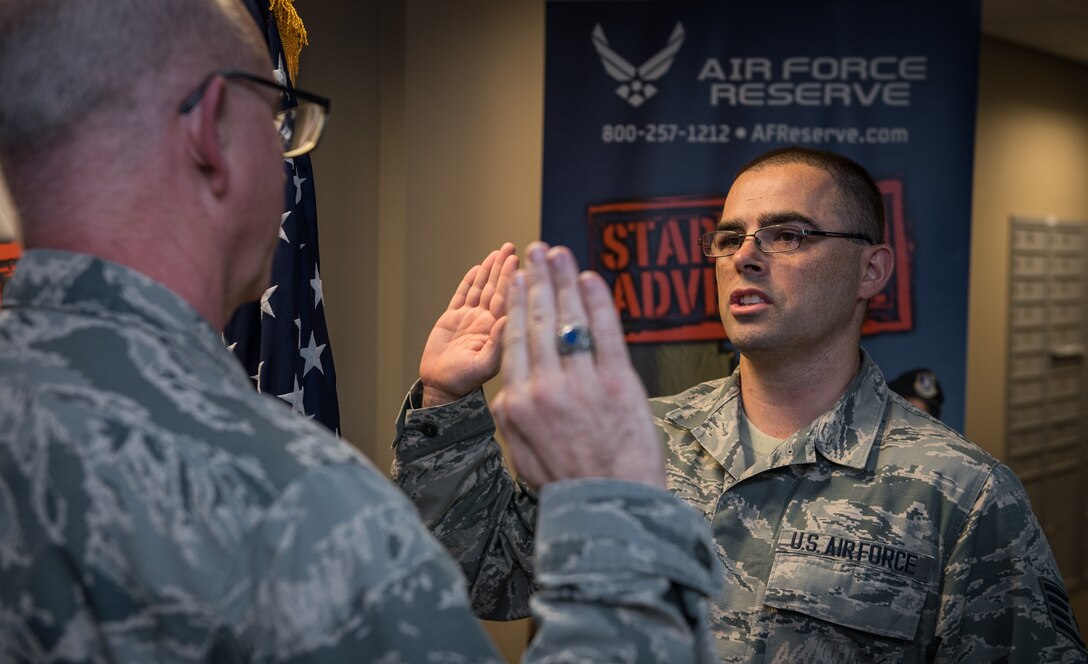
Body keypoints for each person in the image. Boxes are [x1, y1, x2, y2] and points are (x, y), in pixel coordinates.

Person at [0, 0, 722, 661]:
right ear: (213, 131)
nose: (288, 163)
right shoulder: (294, 511)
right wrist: (617, 521)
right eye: (280, 122)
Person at [393, 147, 1088, 661]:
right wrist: (450, 398)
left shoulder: (962, 496)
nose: (747, 256)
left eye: (789, 235)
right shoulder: (632, 441)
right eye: (729, 237)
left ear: (871, 270)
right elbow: (486, 579)